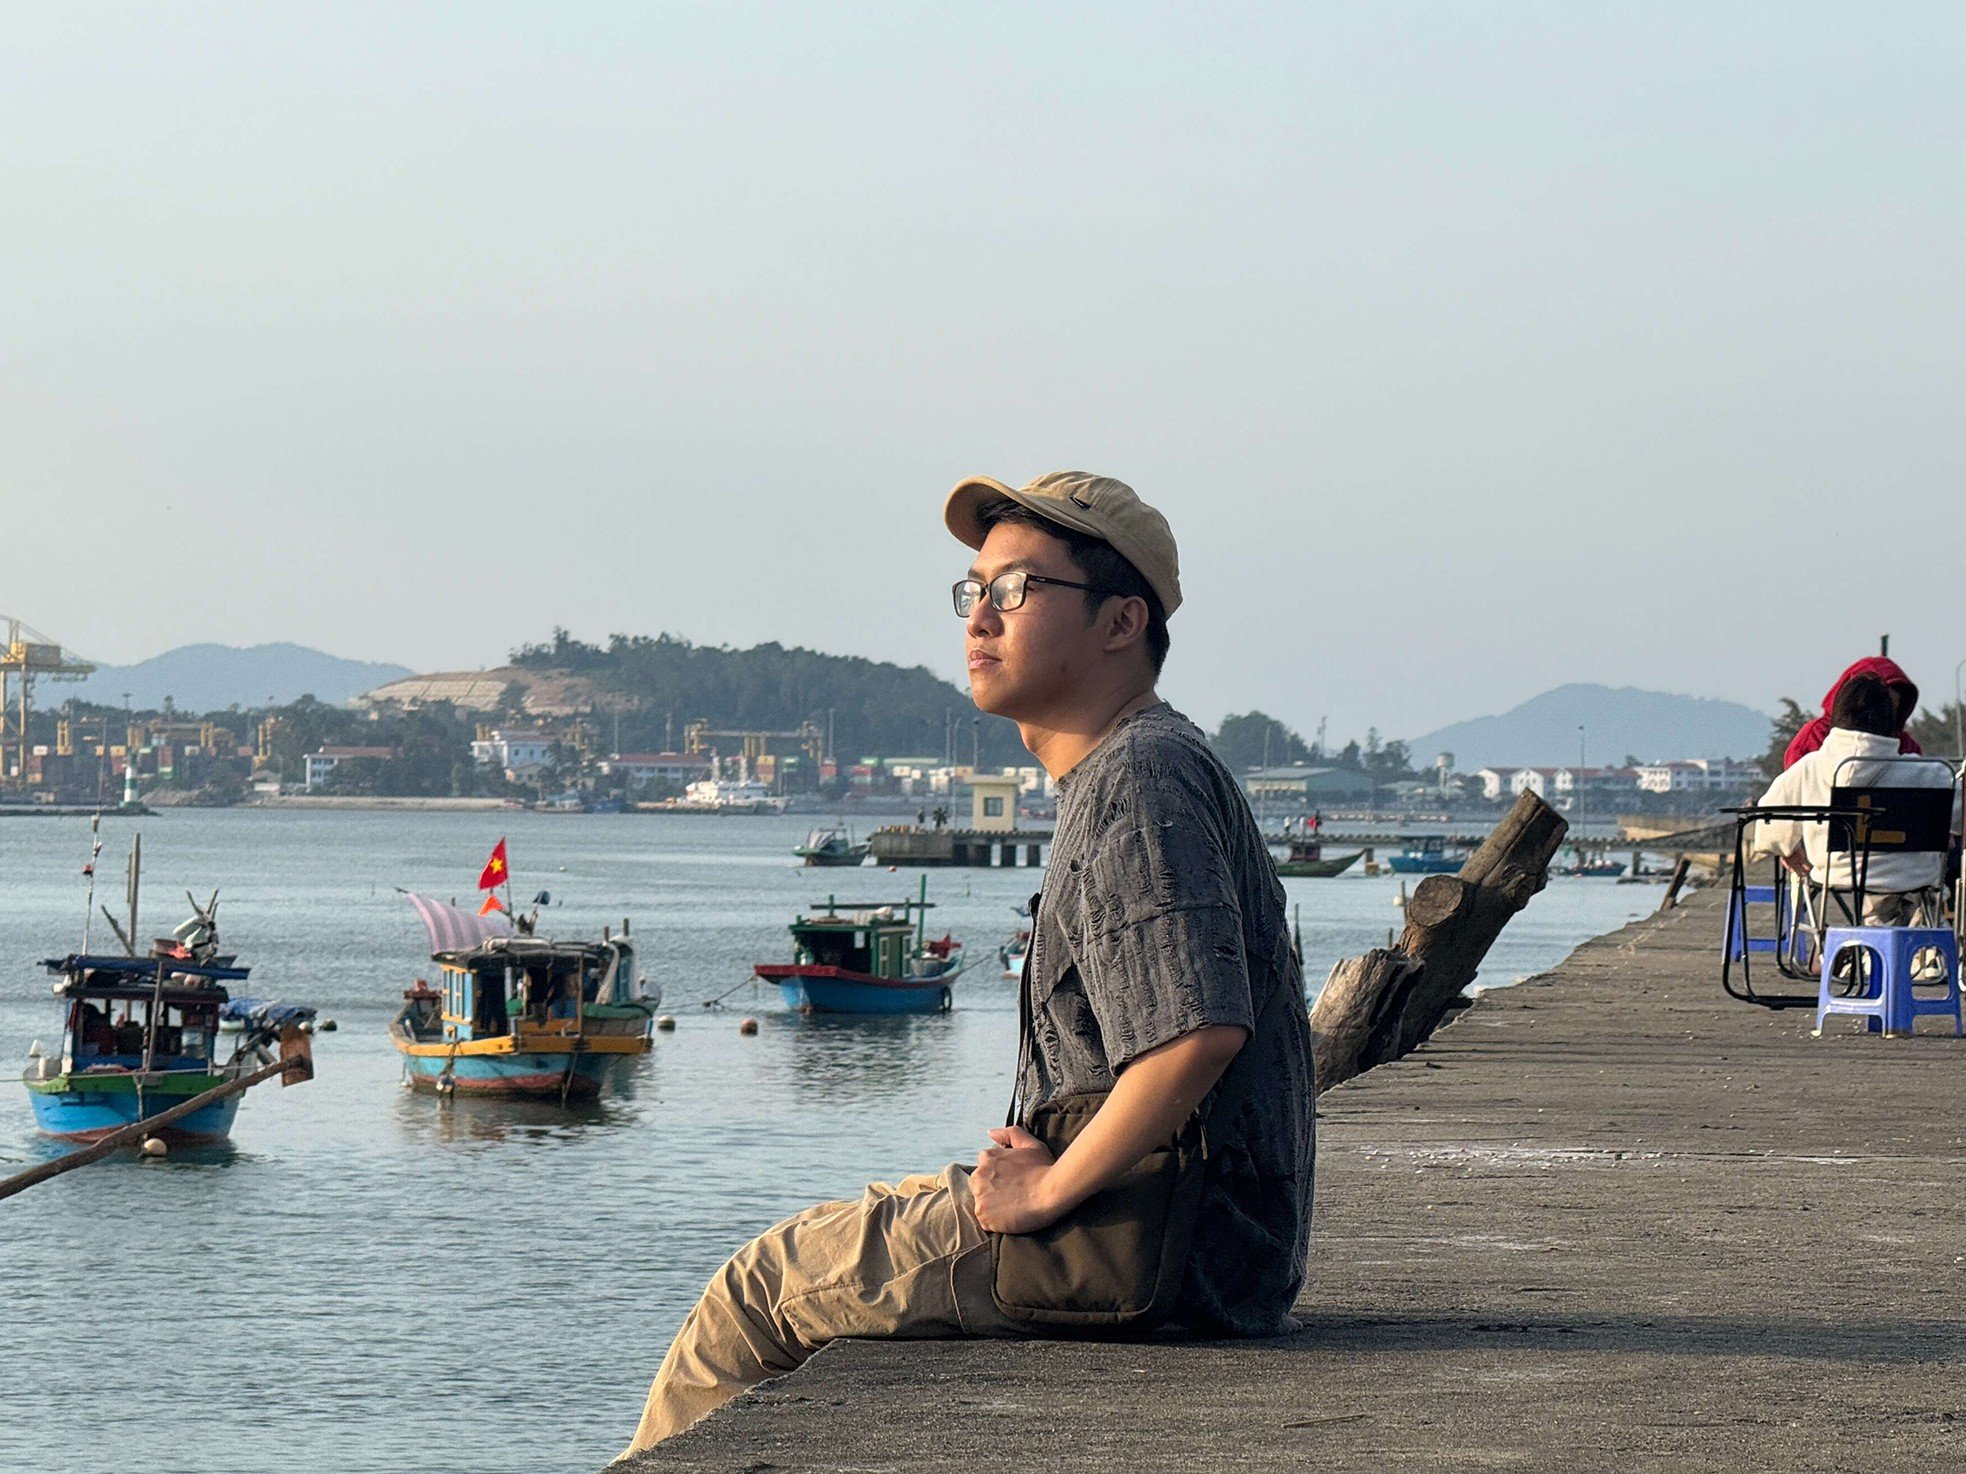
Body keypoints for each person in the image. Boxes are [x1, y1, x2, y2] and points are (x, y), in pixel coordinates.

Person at [619, 472, 1314, 1457]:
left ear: (1121, 623)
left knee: (759, 1289)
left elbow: (1196, 1032)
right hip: (1188, 1243)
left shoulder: (1140, 773)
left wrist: (1048, 1188)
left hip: (1143, 1250)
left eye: (1019, 589)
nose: (979, 615)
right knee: (838, 1233)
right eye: (971, 590)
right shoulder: (1135, 766)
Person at [1754, 671, 1950, 923]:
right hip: (1913, 877)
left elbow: (1768, 819)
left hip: (1834, 874)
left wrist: (1786, 849)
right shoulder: (1927, 773)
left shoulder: (1810, 768)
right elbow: (1957, 816)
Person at [1783, 656, 1922, 769]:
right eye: (1877, 702)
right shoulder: (1816, 734)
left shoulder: (1905, 744)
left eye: (1893, 704)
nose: (1883, 711)